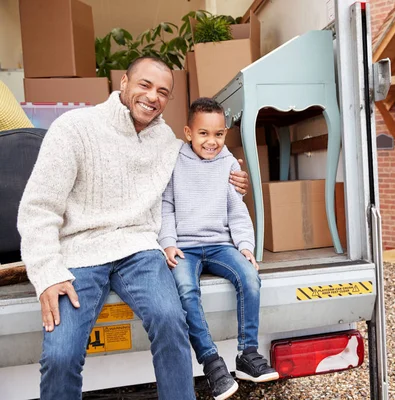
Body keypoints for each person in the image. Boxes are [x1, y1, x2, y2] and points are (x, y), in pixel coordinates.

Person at [17, 57, 248, 400]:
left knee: (171, 323)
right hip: (79, 252)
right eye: (145, 85)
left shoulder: (166, 142)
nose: (153, 96)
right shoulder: (75, 128)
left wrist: (233, 175)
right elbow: (38, 207)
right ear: (124, 83)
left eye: (163, 91)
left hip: (140, 249)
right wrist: (46, 272)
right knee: (61, 353)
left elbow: (206, 149)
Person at [158, 98, 279, 400]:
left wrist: (245, 246)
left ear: (225, 134)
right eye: (203, 133)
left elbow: (236, 211)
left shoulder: (228, 163)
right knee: (185, 289)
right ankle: (211, 362)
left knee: (249, 276)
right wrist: (168, 242)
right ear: (188, 132)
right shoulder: (174, 160)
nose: (211, 141)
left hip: (219, 245)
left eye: (219, 134)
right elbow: (166, 206)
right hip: (185, 246)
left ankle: (247, 354)